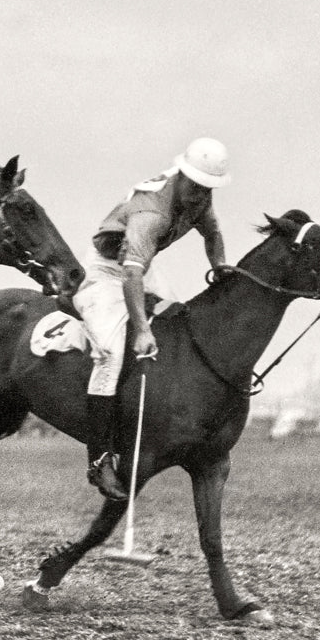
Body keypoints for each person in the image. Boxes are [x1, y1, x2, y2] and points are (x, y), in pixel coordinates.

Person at [72, 136, 232, 499]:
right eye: (196, 187)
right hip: (108, 271)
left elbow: (214, 233)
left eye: (209, 190)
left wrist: (219, 266)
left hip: (141, 268)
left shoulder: (199, 199)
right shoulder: (151, 213)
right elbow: (131, 276)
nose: (202, 197)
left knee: (180, 327)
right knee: (111, 354)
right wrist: (142, 329)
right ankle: (99, 461)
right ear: (183, 176)